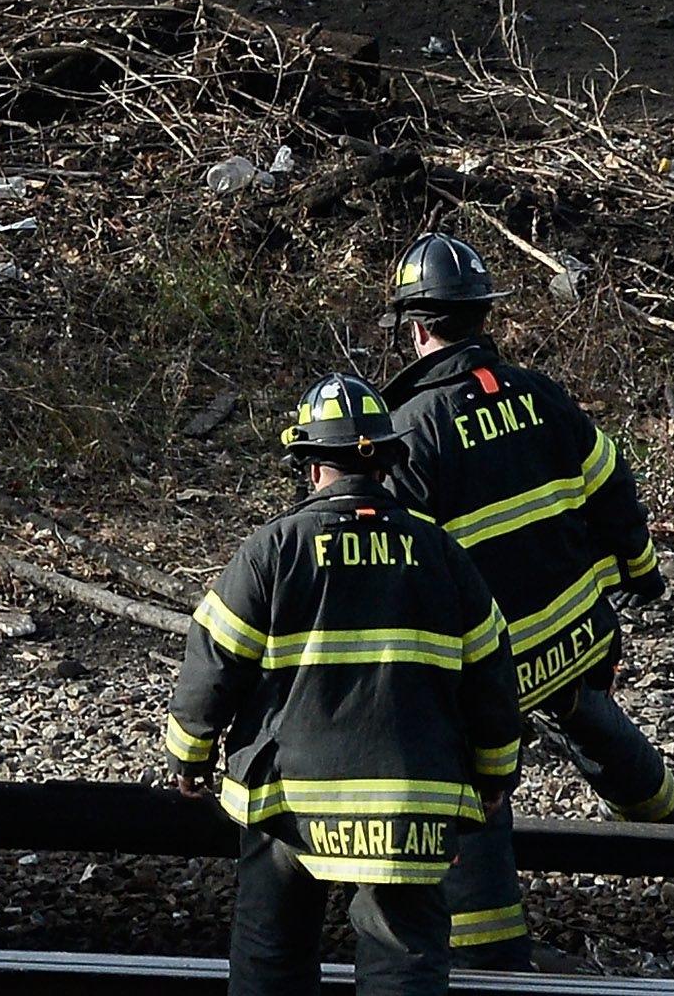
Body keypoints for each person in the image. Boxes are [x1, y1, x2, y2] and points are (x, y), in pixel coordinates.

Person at [371, 236, 674, 968]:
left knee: (468, 779)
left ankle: (491, 954)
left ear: (415, 328)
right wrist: (641, 575)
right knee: (586, 713)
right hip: (574, 641)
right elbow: (610, 483)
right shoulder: (541, 395)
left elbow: (397, 571)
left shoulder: (411, 431)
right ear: (483, 315)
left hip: (492, 672)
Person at [168, 376, 525, 996]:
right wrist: (494, 776)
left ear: (311, 467)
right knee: (403, 965)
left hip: (291, 801)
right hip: (410, 801)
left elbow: (214, 664)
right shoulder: (441, 553)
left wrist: (189, 757)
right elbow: (492, 675)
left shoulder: (273, 550)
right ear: (386, 463)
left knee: (272, 957)